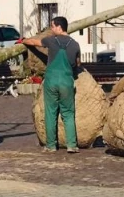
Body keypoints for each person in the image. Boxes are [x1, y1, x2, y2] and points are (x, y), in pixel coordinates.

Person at [20, 16, 80, 153]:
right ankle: (72, 145)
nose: (51, 30)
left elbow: (34, 42)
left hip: (51, 81)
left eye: (52, 26)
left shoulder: (52, 40)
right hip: (66, 81)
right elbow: (77, 64)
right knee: (68, 114)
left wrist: (23, 41)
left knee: (50, 113)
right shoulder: (75, 44)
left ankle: (51, 146)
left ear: (59, 27)